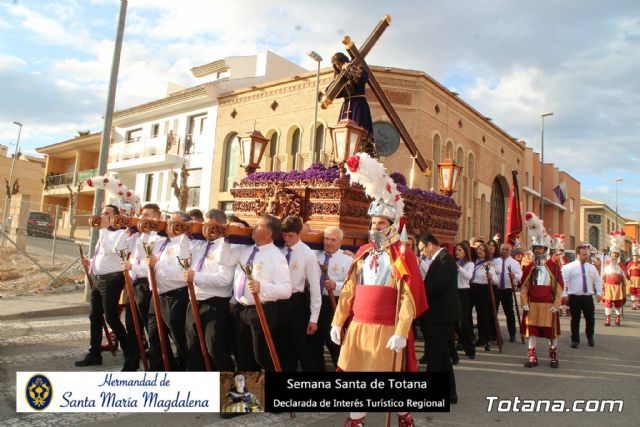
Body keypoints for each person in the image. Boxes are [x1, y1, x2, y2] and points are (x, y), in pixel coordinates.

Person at [330, 151, 427, 427]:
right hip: (359, 327)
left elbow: (408, 299)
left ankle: (404, 415)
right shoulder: (361, 252)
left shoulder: (403, 256)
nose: (375, 227)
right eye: (373, 223)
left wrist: (401, 332)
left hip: (387, 328)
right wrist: (338, 321)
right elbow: (349, 291)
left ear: (392, 225)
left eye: (381, 223)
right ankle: (356, 421)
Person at [232, 215, 292, 371]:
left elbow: (286, 290)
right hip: (241, 310)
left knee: (262, 357)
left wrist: (262, 287)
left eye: (258, 226)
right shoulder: (245, 250)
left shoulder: (277, 257)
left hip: (261, 311)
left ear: (268, 233)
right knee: (243, 357)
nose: (253, 227)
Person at [76, 204, 130, 367]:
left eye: (106, 213)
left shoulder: (121, 233)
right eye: (102, 213)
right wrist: (90, 262)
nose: (102, 216)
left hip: (112, 279)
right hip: (99, 279)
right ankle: (94, 353)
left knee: (111, 317)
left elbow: (112, 251)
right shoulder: (105, 233)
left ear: (115, 216)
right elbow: (102, 255)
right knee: (94, 316)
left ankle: (130, 350)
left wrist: (104, 229)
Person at [183, 209, 236, 371]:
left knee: (214, 347)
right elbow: (183, 256)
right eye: (205, 225)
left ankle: (227, 384)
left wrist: (196, 277)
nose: (207, 229)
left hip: (215, 303)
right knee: (193, 345)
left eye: (211, 226)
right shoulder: (200, 244)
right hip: (194, 301)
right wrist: (187, 233)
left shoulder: (226, 246)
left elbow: (224, 279)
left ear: (221, 226)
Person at [148, 210, 194, 370]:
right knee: (154, 338)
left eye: (174, 221)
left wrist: (157, 265)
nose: (169, 224)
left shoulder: (186, 243)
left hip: (175, 297)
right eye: (168, 220)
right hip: (157, 295)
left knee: (180, 339)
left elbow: (182, 274)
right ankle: (158, 373)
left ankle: (185, 371)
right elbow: (143, 252)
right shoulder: (161, 241)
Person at [419, 233, 461, 404]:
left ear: (430, 245)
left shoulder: (445, 260)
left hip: (441, 316)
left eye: (422, 249)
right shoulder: (441, 259)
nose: (422, 254)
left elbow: (438, 286)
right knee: (442, 354)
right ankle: (451, 393)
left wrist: (419, 289)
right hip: (438, 315)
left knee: (435, 355)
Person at [276, 215, 321, 372]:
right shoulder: (278, 249)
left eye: (290, 236)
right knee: (281, 346)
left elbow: (315, 287)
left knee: (299, 345)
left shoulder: (307, 254)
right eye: (284, 235)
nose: (286, 239)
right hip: (277, 302)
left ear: (299, 233)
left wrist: (314, 318)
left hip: (295, 302)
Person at [121, 203, 161, 371]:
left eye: (146, 215)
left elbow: (152, 265)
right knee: (132, 326)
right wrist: (128, 230)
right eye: (142, 215)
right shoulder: (139, 236)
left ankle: (155, 365)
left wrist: (133, 267)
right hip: (135, 284)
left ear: (156, 217)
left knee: (150, 328)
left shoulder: (158, 238)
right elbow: (121, 248)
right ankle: (131, 362)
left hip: (147, 285)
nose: (142, 218)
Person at [520, 212, 563, 368]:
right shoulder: (530, 266)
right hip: (532, 304)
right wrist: (524, 302)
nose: (538, 250)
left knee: (551, 332)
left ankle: (553, 355)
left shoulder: (553, 266)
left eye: (540, 247)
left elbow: (558, 287)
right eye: (535, 248)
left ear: (545, 248)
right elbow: (524, 286)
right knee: (532, 331)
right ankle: (532, 356)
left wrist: (556, 304)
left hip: (548, 305)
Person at [309, 226, 353, 371]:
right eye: (326, 239)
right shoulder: (314, 255)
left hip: (334, 304)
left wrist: (336, 285)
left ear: (340, 242)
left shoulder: (347, 259)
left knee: (335, 344)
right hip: (314, 302)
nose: (328, 243)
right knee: (314, 344)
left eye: (333, 240)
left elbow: (352, 285)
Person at [328, 52, 376, 157]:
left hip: (359, 106)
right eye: (336, 65)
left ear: (344, 61)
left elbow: (363, 77)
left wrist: (349, 67)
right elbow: (331, 92)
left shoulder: (357, 68)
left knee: (359, 130)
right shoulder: (340, 78)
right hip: (346, 107)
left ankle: (361, 156)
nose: (338, 66)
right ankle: (342, 159)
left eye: (339, 63)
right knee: (342, 133)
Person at [561, 244, 603, 348]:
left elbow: (597, 281)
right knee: (575, 319)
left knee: (590, 319)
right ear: (578, 254)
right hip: (574, 297)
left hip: (587, 297)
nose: (586, 257)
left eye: (587, 255)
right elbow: (563, 282)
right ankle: (575, 340)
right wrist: (564, 294)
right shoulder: (568, 267)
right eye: (584, 255)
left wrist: (599, 293)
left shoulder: (591, 267)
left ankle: (590, 337)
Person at [469, 242, 497, 351]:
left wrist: (491, 276)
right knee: (467, 312)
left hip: (483, 289)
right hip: (471, 288)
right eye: (478, 249)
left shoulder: (489, 264)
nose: (479, 251)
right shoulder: (473, 262)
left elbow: (496, 280)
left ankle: (484, 338)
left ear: (486, 253)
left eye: (482, 250)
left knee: (482, 315)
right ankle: (470, 335)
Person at [494, 243, 523, 343]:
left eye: (506, 249)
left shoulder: (514, 263)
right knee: (494, 311)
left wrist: (514, 275)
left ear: (510, 251)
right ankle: (494, 333)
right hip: (496, 289)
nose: (504, 251)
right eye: (502, 249)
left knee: (509, 313)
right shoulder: (495, 261)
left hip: (507, 289)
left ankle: (512, 334)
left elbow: (520, 275)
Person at [454, 241, 475, 359]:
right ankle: (460, 341)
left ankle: (470, 349)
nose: (457, 252)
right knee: (454, 321)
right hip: (454, 292)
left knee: (464, 321)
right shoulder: (455, 262)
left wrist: (458, 268)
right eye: (456, 250)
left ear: (465, 252)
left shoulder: (469, 264)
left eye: (459, 250)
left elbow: (468, 276)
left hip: (463, 292)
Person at [601, 232, 628, 326]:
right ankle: (608, 319)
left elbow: (624, 275)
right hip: (608, 286)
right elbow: (603, 274)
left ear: (618, 254)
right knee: (608, 303)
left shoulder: (621, 264)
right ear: (610, 253)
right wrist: (602, 284)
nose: (614, 255)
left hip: (618, 287)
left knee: (618, 303)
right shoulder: (607, 263)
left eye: (616, 254)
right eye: (613, 253)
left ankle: (618, 317)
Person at [626, 242, 640, 310]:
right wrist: (628, 279)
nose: (635, 257)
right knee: (633, 292)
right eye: (634, 256)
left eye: (637, 256)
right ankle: (633, 305)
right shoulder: (630, 263)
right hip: (632, 280)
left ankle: (639, 303)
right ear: (633, 256)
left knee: (639, 292)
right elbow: (628, 272)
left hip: (639, 280)